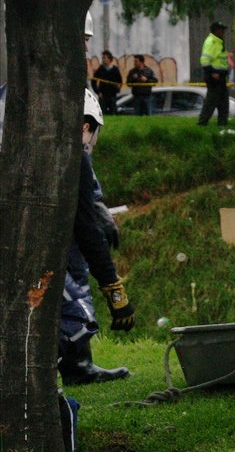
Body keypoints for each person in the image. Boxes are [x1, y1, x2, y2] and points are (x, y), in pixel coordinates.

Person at [59, 89, 135, 385]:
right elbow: (87, 230)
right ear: (84, 126)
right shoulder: (71, 155)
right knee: (77, 313)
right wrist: (114, 289)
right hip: (46, 248)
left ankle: (78, 365)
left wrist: (97, 207)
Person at [198, 21, 230, 126]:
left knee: (224, 103)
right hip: (214, 77)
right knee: (211, 102)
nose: (223, 32)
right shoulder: (211, 42)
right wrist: (213, 73)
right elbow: (204, 60)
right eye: (222, 29)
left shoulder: (218, 41)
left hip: (220, 76)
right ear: (216, 30)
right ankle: (202, 123)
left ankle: (222, 125)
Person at [91, 50, 122, 115]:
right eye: (103, 58)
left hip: (112, 95)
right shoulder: (100, 69)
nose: (103, 59)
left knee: (113, 112)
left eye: (105, 58)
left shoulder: (115, 69)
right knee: (102, 113)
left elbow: (120, 81)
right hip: (103, 95)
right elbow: (93, 81)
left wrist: (118, 87)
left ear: (110, 59)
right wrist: (98, 92)